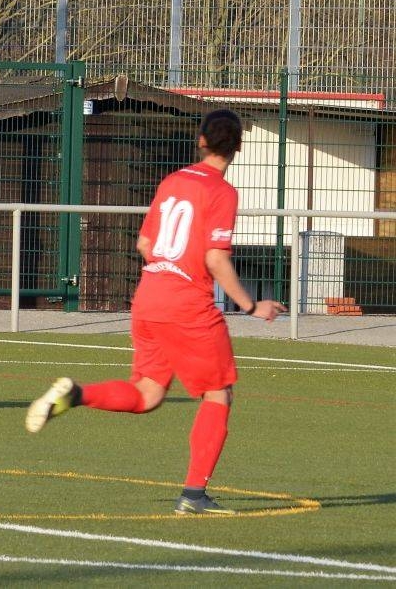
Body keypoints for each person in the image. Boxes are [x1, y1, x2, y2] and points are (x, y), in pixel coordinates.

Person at [25, 109, 286, 515]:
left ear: (201, 140)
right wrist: (251, 305)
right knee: (218, 392)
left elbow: (145, 245)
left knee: (148, 393)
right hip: (188, 306)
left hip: (149, 298)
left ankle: (76, 394)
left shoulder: (173, 181)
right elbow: (215, 258)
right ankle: (194, 495)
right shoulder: (222, 192)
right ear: (238, 147)